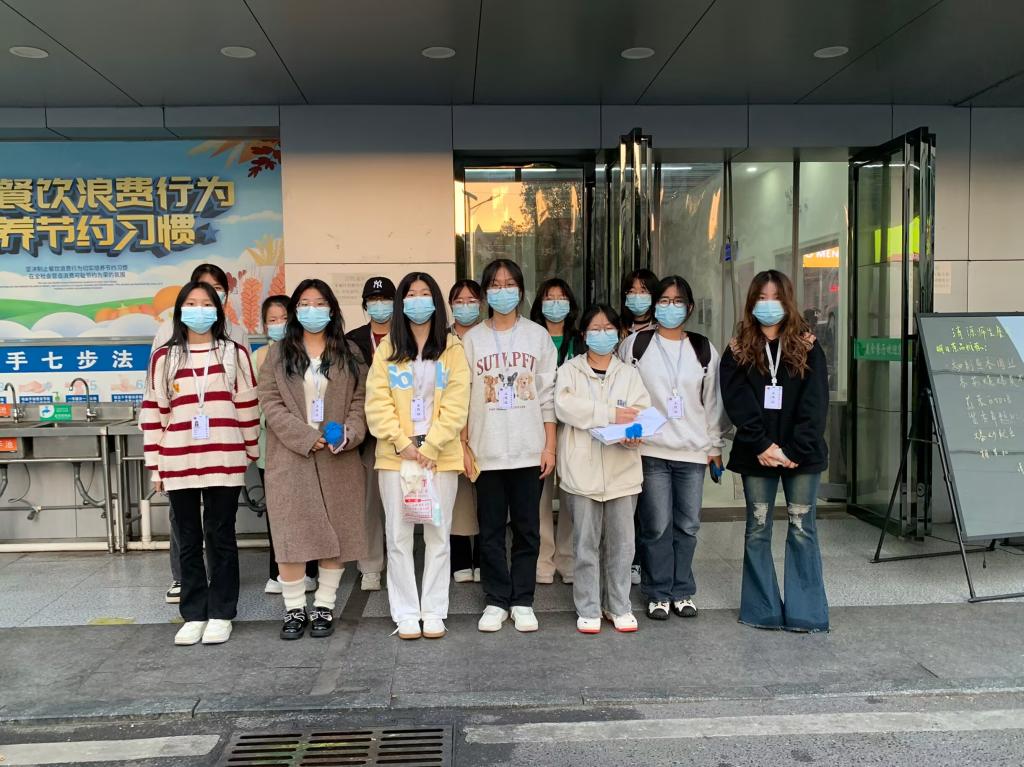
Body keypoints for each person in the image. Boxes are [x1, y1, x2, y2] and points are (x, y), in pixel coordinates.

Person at [141, 281, 259, 646]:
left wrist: (250, 451)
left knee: (221, 536)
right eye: (191, 304)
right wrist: (156, 466)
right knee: (188, 539)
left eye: (206, 303)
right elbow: (154, 411)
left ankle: (221, 612)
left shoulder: (234, 352)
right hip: (178, 459)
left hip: (225, 457)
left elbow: (247, 405)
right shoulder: (165, 357)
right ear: (179, 311)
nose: (199, 310)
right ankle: (193, 614)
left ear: (218, 310)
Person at [719, 270, 830, 633]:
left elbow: (816, 404)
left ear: (788, 301)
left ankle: (806, 613)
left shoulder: (808, 345)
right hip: (757, 454)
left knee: (801, 527)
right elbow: (737, 401)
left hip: (802, 455)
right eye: (761, 298)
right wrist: (763, 445)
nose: (769, 305)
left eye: (776, 297)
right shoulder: (738, 349)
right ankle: (761, 609)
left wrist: (794, 449)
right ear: (751, 303)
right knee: (758, 528)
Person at [259, 279, 368, 641]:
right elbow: (270, 402)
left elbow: (361, 400)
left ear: (332, 309)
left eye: (319, 303)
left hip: (338, 457)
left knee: (336, 531)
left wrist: (349, 433)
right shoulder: (278, 354)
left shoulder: (349, 352)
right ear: (295, 311)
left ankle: (324, 604)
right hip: (291, 457)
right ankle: (294, 608)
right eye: (304, 303)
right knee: (292, 532)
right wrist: (306, 436)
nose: (312, 310)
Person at [365, 272, 471, 640]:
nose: (418, 300)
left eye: (425, 293)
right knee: (398, 537)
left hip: (439, 456)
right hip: (396, 457)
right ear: (401, 303)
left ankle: (434, 610)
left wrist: (431, 446)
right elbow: (377, 402)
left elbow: (457, 403)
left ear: (436, 302)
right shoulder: (387, 349)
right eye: (411, 294)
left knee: (439, 536)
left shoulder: (453, 348)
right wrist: (402, 443)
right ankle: (407, 612)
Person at [619, 275, 726, 622]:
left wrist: (715, 446)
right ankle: (658, 592)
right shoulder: (636, 345)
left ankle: (682, 590)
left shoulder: (703, 348)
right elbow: (623, 393)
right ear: (655, 305)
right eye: (664, 301)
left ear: (689, 307)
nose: (670, 307)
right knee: (656, 525)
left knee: (688, 525)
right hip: (652, 450)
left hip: (693, 452)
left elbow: (713, 403)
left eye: (677, 301)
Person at [463, 259, 557, 633]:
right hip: (485, 452)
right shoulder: (472, 340)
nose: (503, 291)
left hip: (528, 449)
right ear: (486, 293)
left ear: (520, 289)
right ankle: (496, 599)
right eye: (496, 285)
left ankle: (522, 600)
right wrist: (464, 446)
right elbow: (462, 398)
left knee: (527, 530)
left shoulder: (538, 336)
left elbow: (547, 397)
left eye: (509, 284)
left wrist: (549, 447)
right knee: (489, 531)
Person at [555, 304, 650, 634]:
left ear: (619, 333)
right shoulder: (570, 371)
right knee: (585, 544)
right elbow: (565, 407)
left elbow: (640, 413)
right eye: (594, 329)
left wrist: (634, 434)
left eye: (608, 328)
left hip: (623, 470)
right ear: (584, 335)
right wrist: (610, 414)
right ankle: (588, 607)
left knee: (623, 545)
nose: (602, 334)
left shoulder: (629, 374)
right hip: (581, 470)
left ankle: (618, 605)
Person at [254, 295, 318, 596]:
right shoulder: (258, 357)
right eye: (272, 320)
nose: (279, 324)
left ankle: (310, 570)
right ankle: (277, 571)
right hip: (270, 445)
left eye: (284, 318)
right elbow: (255, 401)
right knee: (278, 511)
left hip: (307, 443)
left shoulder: (306, 353)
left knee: (308, 508)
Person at [346, 276, 396, 593]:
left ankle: (402, 564)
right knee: (369, 505)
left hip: (401, 433)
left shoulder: (408, 336)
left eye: (385, 299)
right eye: (373, 300)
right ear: (365, 305)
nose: (379, 305)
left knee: (403, 503)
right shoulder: (351, 341)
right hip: (367, 436)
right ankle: (371, 566)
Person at [530, 278, 581, 585]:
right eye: (549, 298)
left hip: (573, 427)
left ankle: (567, 556)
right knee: (541, 497)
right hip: (538, 425)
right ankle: (543, 558)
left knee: (571, 492)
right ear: (540, 303)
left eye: (561, 298)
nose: (555, 303)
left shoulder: (581, 340)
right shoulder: (532, 339)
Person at [447, 279, 484, 584]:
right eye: (459, 301)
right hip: (450, 423)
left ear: (481, 304)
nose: (466, 306)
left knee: (486, 495)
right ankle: (459, 558)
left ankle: (483, 558)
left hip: (485, 423)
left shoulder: (489, 336)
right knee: (455, 495)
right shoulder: (441, 339)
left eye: (471, 300)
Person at [620, 268, 659, 335]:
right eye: (631, 291)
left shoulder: (660, 328)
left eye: (643, 291)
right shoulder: (617, 327)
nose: (637, 296)